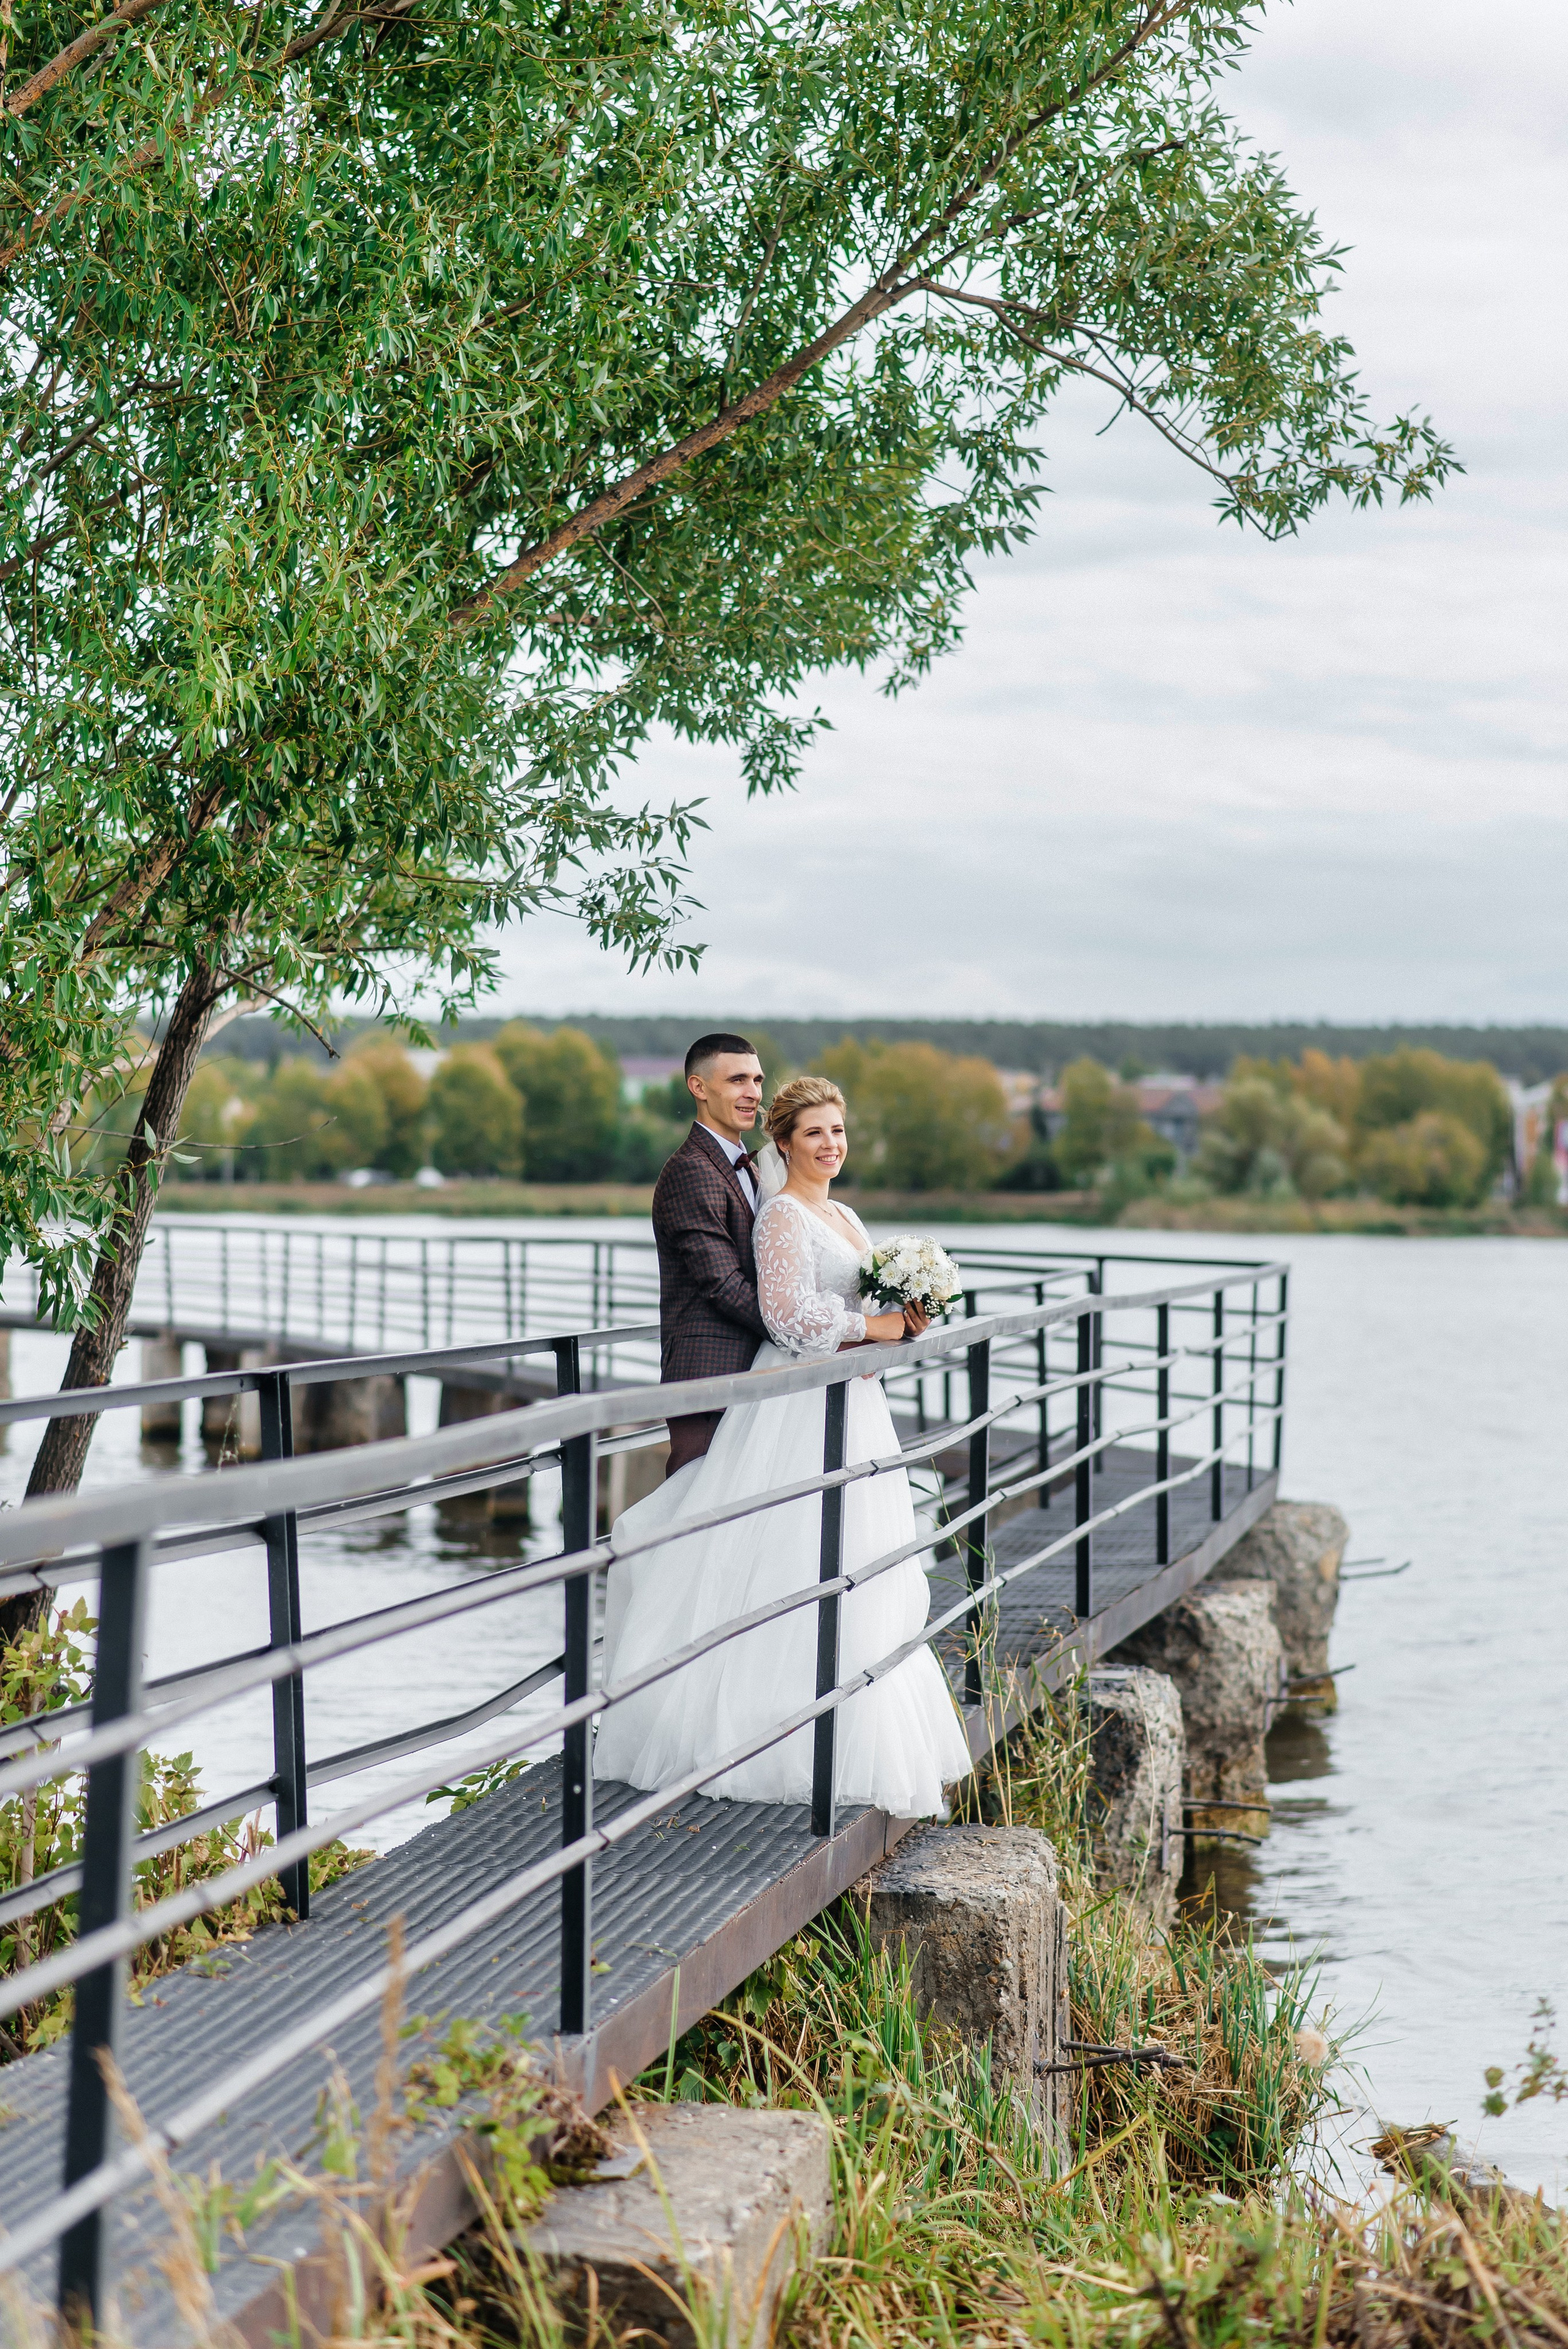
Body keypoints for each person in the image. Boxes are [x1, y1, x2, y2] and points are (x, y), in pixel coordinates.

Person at [595, 1074, 971, 1816]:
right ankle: (766, 1732)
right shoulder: (781, 1217)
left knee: (860, 1556)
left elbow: (853, 1305)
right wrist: (881, 1328)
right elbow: (788, 1318)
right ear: (785, 1142)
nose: (830, 1144)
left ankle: (850, 1719)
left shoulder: (846, 1213)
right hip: (798, 1405)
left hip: (854, 1402)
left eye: (838, 1130)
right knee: (789, 1553)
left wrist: (908, 1311)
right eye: (814, 1133)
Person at [649, 1033, 767, 1479]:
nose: (753, 1092)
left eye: (757, 1080)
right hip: (707, 1380)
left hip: (751, 1373)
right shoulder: (689, 1170)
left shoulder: (751, 1166)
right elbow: (723, 1285)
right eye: (738, 1080)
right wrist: (803, 1332)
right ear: (699, 1087)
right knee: (693, 1514)